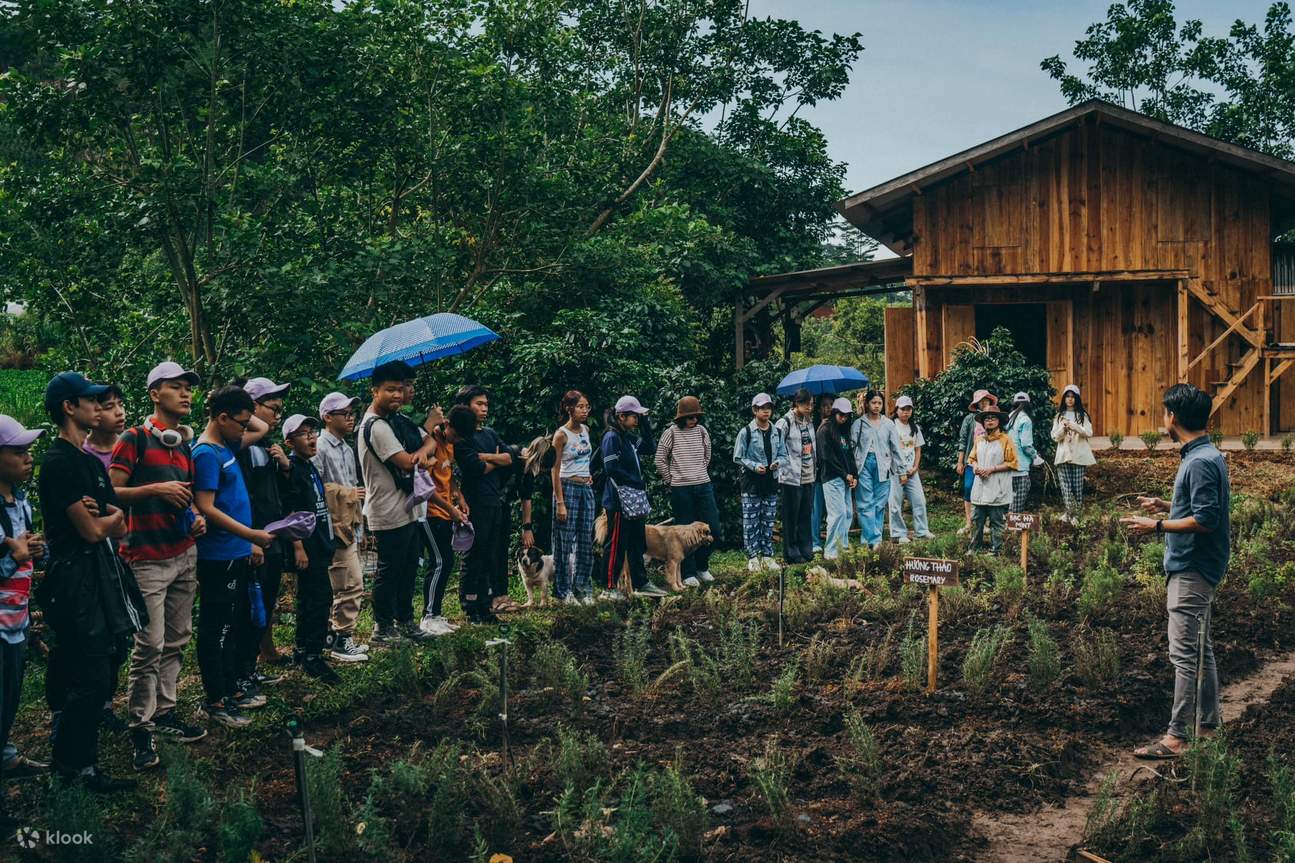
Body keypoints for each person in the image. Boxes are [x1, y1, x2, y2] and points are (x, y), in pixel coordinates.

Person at [37, 372, 138, 792]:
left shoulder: (86, 462)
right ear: (69, 407)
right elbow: (94, 531)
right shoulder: (58, 463)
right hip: (75, 579)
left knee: (106, 661)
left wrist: (106, 517)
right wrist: (107, 518)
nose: (99, 406)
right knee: (89, 672)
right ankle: (73, 768)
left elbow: (113, 524)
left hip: (101, 575)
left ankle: (81, 762)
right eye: (91, 400)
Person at [109, 362, 208, 772]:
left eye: (188, 388)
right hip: (146, 559)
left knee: (178, 636)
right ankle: (140, 724)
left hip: (184, 552)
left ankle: (165, 712)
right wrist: (154, 490)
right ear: (154, 394)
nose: (185, 394)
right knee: (148, 644)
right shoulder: (132, 439)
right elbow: (110, 492)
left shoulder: (182, 444)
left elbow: (186, 497)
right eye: (176, 387)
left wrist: (197, 517)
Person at [1124, 384, 1230, 760]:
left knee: (1184, 655)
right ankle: (1209, 725)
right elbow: (1202, 505)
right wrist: (1167, 505)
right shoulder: (1205, 455)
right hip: (1200, 567)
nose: (1162, 419)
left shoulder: (1199, 461)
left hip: (1192, 568)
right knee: (1202, 649)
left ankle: (1178, 737)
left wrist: (1156, 525)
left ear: (1173, 418)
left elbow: (1206, 518)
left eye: (1164, 413)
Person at [191, 386, 275, 729]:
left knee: (235, 622)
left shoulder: (227, 444)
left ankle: (230, 688)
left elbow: (262, 428)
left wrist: (234, 400)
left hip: (236, 551)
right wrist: (250, 534)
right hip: (219, 554)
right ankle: (216, 697)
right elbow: (206, 507)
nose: (246, 428)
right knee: (218, 628)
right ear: (222, 419)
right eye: (239, 421)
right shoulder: (206, 453)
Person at [358, 361, 436, 641]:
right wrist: (421, 459)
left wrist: (422, 456)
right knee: (389, 570)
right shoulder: (376, 426)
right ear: (374, 391)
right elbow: (405, 461)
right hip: (387, 510)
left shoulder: (395, 422)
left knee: (408, 569)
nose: (396, 395)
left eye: (400, 390)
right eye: (389, 390)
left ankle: (405, 621)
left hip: (408, 508)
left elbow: (429, 443)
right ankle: (382, 626)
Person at [0, 416, 49, 826]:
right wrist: (13, 556)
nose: (28, 458)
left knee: (9, 700)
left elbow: (28, 557)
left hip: (15, 621)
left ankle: (6, 756)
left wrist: (35, 549)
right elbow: (11, 559)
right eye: (18, 452)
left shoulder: (21, 500)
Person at [235, 376, 293, 695]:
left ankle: (251, 667)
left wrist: (285, 467)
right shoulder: (240, 446)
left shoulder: (267, 447)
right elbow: (240, 497)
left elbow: (278, 494)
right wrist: (250, 538)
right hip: (252, 538)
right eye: (273, 409)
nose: (276, 416)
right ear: (253, 407)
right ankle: (239, 673)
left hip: (272, 538)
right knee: (247, 609)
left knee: (264, 604)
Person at [279, 415, 342, 684]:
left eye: (312, 432)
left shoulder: (309, 466)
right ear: (289, 441)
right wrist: (298, 547)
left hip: (320, 543)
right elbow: (290, 510)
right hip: (308, 547)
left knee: (311, 597)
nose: (311, 437)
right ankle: (313, 655)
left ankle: (304, 649)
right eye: (303, 434)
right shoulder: (293, 468)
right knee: (319, 598)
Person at [453, 385, 520, 617]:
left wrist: (488, 457)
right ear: (465, 406)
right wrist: (496, 459)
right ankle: (470, 604)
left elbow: (511, 457)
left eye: (486, 404)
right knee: (475, 552)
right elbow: (475, 468)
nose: (484, 409)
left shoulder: (489, 434)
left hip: (494, 500)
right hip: (475, 501)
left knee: (491, 553)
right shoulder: (462, 438)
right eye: (479, 404)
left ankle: (485, 602)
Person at [312, 392, 370, 660]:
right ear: (327, 417)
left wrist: (361, 528)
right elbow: (316, 487)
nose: (350, 418)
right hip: (333, 526)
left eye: (352, 414)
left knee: (348, 581)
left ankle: (335, 636)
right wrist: (347, 494)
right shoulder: (319, 447)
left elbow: (355, 490)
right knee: (349, 583)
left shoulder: (347, 448)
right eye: (344, 414)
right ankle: (341, 637)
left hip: (351, 525)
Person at [599, 396, 667, 599]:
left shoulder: (627, 437)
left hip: (633, 500)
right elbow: (610, 468)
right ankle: (609, 587)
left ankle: (641, 583)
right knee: (617, 544)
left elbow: (649, 448)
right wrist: (633, 481)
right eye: (634, 416)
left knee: (637, 543)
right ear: (621, 416)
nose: (636, 420)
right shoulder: (612, 438)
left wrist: (645, 423)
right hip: (619, 500)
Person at [656, 395, 721, 586]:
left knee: (713, 528)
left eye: (696, 417)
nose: (694, 420)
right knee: (684, 534)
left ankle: (702, 566)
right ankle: (688, 572)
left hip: (703, 485)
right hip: (680, 489)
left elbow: (707, 455)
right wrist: (671, 480)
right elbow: (660, 458)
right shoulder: (672, 432)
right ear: (681, 417)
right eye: (690, 417)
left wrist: (699, 471)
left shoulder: (702, 431)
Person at [420, 408, 467, 632]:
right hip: (430, 512)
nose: (455, 440)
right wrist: (451, 509)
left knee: (446, 562)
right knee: (440, 561)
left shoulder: (449, 445)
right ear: (446, 424)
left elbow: (448, 477)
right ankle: (428, 616)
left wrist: (460, 497)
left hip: (446, 512)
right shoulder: (430, 442)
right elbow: (425, 488)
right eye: (455, 435)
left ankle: (436, 613)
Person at [551, 391, 596, 603]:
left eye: (587, 406)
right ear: (569, 409)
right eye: (580, 406)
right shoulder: (560, 435)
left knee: (586, 540)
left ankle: (583, 587)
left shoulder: (586, 430)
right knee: (564, 541)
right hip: (566, 487)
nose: (585, 410)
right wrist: (560, 502)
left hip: (585, 488)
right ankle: (563, 591)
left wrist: (588, 476)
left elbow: (585, 459)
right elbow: (555, 469)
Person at [734, 393, 786, 572]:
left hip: (771, 481)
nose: (766, 411)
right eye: (762, 408)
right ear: (754, 410)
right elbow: (738, 457)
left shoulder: (777, 431)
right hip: (752, 482)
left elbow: (783, 454)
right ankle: (753, 557)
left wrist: (777, 463)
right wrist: (755, 466)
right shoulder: (746, 432)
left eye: (769, 408)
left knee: (768, 520)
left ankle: (767, 555)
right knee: (751, 522)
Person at [849, 390, 903, 550]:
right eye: (874, 402)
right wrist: (851, 469)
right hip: (864, 464)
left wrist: (902, 469)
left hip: (883, 465)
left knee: (879, 504)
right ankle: (870, 539)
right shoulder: (859, 423)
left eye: (879, 403)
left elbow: (896, 448)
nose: (877, 406)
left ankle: (874, 539)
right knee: (865, 503)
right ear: (867, 404)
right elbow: (852, 447)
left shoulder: (888, 424)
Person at [967, 406, 1018, 554]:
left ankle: (997, 550)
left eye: (993, 418)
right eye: (986, 418)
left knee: (996, 522)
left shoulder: (1006, 440)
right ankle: (974, 548)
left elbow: (1013, 463)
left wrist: (992, 469)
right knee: (977, 520)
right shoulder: (979, 440)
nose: (989, 421)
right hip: (980, 488)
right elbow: (972, 458)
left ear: (999, 422)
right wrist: (976, 467)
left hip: (998, 487)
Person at [774, 388, 817, 565]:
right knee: (791, 516)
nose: (809, 407)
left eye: (811, 403)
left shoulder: (809, 421)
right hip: (791, 476)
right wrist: (782, 466)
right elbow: (775, 445)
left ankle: (805, 549)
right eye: (805, 403)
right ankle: (791, 552)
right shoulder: (784, 422)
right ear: (796, 403)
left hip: (809, 474)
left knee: (805, 514)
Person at [816, 398, 857, 560]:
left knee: (847, 513)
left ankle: (843, 546)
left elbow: (849, 455)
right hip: (832, 477)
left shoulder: (843, 430)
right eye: (841, 414)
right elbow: (827, 457)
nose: (844, 418)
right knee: (837, 514)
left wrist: (854, 476)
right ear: (834, 413)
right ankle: (831, 550)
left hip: (846, 478)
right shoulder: (824, 430)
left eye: (847, 415)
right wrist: (844, 474)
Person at [888, 395, 933, 543]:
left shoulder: (915, 428)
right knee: (895, 503)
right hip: (895, 471)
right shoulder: (891, 425)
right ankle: (898, 533)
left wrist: (915, 467)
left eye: (909, 409)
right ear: (897, 410)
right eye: (903, 409)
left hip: (912, 472)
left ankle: (922, 530)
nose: (906, 412)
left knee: (919, 500)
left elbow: (918, 449)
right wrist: (898, 469)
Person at [956, 389, 998, 536]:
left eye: (986, 400)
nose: (984, 402)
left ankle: (984, 524)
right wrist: (960, 462)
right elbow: (962, 441)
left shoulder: (994, 419)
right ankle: (969, 523)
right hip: (971, 461)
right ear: (977, 403)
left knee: (987, 491)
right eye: (981, 400)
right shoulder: (969, 419)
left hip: (988, 462)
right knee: (968, 489)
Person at [1051, 384, 1094, 522]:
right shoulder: (1059, 416)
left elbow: (1089, 432)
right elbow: (1054, 437)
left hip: (1079, 454)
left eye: (1073, 397)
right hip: (1063, 454)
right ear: (1064, 399)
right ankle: (1069, 513)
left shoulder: (1083, 415)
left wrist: (1075, 427)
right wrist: (1063, 429)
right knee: (1065, 486)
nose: (1070, 400)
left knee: (1077, 486)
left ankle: (1076, 514)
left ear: (1077, 399)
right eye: (1067, 397)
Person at [810, 393, 836, 555]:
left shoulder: (838, 423)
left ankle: (835, 541)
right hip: (817, 473)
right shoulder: (812, 425)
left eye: (831, 404)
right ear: (818, 408)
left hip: (833, 473)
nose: (828, 408)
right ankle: (814, 541)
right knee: (816, 509)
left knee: (834, 510)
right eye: (825, 405)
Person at [1005, 392, 1039, 514]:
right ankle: (1013, 530)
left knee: (1010, 500)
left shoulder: (1008, 418)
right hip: (1021, 467)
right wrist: (1035, 456)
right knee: (1018, 504)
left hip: (1008, 465)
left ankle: (1008, 529)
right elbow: (1026, 445)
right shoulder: (1025, 420)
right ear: (1028, 404)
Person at [83, 384, 125, 471]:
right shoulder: (81, 452)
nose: (119, 412)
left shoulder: (130, 447)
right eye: (109, 407)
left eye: (120, 405)